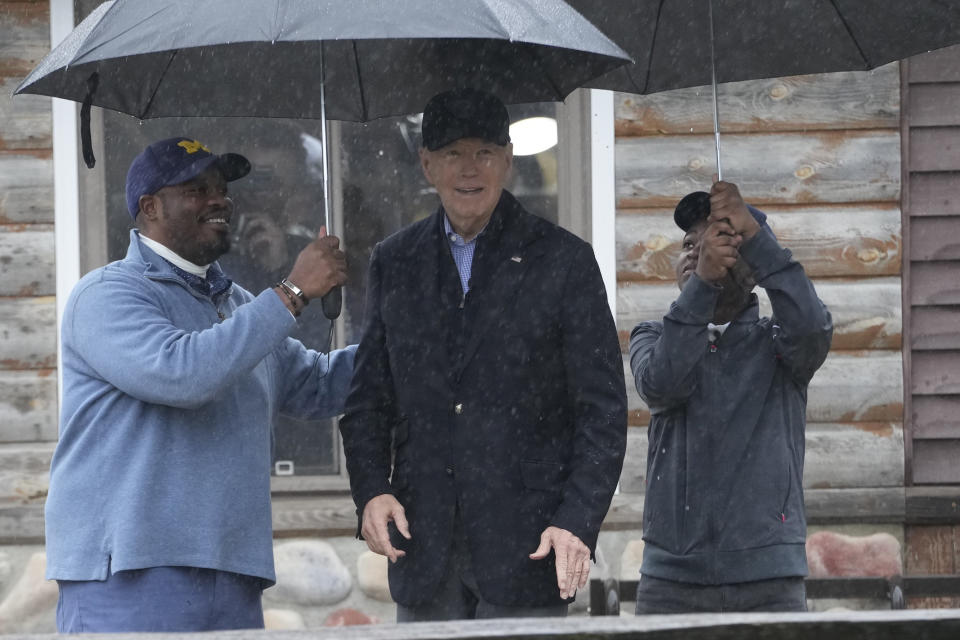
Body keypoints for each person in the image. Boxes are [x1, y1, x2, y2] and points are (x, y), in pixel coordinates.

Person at [45, 136, 355, 632]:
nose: (219, 200)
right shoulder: (106, 295)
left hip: (232, 574)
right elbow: (184, 374)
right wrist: (293, 292)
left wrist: (414, 345)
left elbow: (319, 383)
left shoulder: (235, 304)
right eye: (195, 189)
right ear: (150, 207)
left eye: (221, 188)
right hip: (130, 577)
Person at [339, 88, 627, 621]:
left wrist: (577, 520)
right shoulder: (394, 261)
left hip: (528, 550)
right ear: (427, 165)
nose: (470, 170)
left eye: (485, 153)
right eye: (453, 154)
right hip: (423, 549)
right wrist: (372, 491)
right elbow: (367, 402)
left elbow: (602, 412)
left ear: (508, 160)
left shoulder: (563, 261)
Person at [629, 182, 833, 613]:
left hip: (768, 576)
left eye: (714, 244)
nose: (695, 254)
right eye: (689, 245)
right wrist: (702, 284)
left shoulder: (778, 343)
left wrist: (758, 242)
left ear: (750, 265)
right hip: (672, 578)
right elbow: (664, 384)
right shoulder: (653, 334)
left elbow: (812, 328)